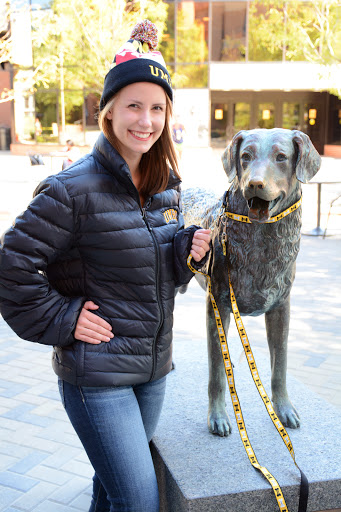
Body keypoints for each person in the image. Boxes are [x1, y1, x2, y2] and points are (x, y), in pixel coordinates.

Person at [0, 20, 211, 512]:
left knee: (110, 491)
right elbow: (11, 266)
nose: (146, 119)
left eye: (157, 107)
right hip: (97, 379)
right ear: (109, 111)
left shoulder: (164, 185)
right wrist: (65, 318)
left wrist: (183, 250)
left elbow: (152, 272)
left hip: (152, 371)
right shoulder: (70, 189)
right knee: (137, 501)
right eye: (134, 105)